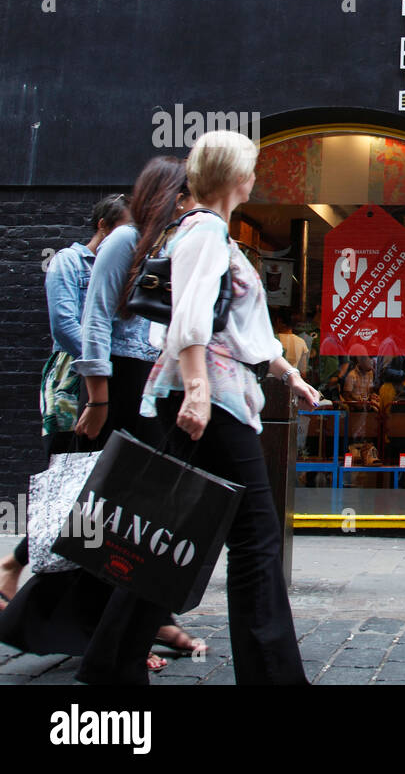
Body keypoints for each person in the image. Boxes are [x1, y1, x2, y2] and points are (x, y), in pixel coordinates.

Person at [76, 130, 320, 686]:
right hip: (209, 400)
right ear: (237, 177)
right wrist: (197, 391)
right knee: (255, 536)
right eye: (251, 168)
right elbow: (188, 317)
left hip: (208, 395)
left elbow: (239, 330)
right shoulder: (207, 229)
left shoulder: (209, 232)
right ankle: (272, 676)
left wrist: (289, 374)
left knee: (172, 530)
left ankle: (110, 664)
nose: (256, 177)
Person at [0, 161, 198, 668]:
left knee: (122, 511)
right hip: (117, 387)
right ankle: (112, 628)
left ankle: (125, 624)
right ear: (164, 197)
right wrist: (99, 398)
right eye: (182, 198)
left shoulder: (160, 249)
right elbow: (88, 326)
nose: (186, 208)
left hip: (144, 385)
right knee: (110, 509)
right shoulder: (121, 242)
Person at [0, 194, 130, 612]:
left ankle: (18, 566)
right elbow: (66, 326)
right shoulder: (68, 264)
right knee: (70, 482)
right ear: (104, 227)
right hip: (75, 382)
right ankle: (24, 571)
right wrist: (105, 364)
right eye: (125, 229)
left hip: (107, 379)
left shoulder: (123, 265)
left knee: (96, 487)